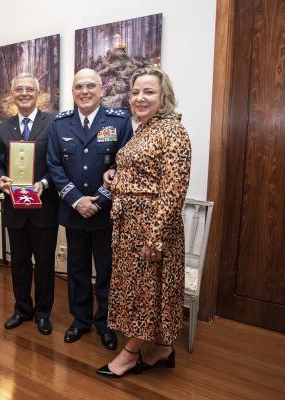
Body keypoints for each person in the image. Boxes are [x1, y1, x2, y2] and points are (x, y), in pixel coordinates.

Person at [97, 67, 191, 378]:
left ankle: (129, 355)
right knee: (141, 291)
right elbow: (143, 174)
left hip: (151, 230)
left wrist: (156, 237)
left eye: (148, 92)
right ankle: (163, 349)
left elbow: (173, 189)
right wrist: (115, 176)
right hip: (129, 228)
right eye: (135, 92)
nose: (140, 97)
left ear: (164, 96)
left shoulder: (173, 131)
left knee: (147, 293)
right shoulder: (145, 129)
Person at [46, 68, 133, 350]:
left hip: (105, 212)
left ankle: (105, 323)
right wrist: (76, 199)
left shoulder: (119, 122)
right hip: (74, 211)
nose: (84, 91)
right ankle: (80, 320)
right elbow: (54, 164)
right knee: (77, 269)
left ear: (101, 90)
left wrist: (99, 198)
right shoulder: (60, 124)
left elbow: (125, 165)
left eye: (90, 86)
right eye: (78, 87)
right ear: (72, 93)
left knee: (107, 270)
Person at [0, 73, 59, 335]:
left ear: (38, 93)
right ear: (12, 94)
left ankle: (43, 312)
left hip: (44, 205)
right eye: (19, 89)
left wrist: (42, 184)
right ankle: (22, 308)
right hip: (15, 206)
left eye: (29, 89)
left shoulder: (54, 123)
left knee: (44, 263)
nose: (24, 93)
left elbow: (57, 162)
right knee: (19, 262)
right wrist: (0, 181)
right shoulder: (2, 128)